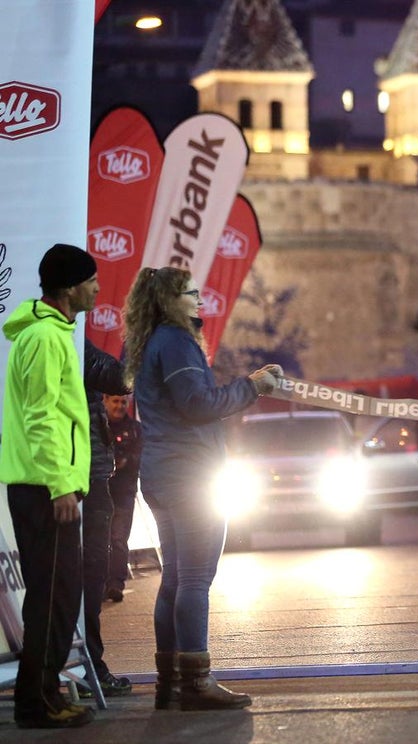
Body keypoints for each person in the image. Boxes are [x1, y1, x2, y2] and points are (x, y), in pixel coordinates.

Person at [121, 266, 281, 711]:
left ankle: (170, 682)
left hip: (162, 472)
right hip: (190, 474)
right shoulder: (175, 341)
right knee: (194, 578)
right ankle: (196, 681)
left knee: (174, 578)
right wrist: (252, 387)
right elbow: (198, 404)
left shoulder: (149, 341)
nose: (200, 299)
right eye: (191, 293)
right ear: (171, 300)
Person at [0, 243, 100, 728]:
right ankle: (35, 704)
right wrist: (62, 485)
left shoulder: (53, 333)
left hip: (47, 486)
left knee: (58, 596)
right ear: (69, 288)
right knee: (51, 597)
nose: (98, 287)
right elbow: (42, 418)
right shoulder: (44, 338)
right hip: (44, 490)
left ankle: (43, 696)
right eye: (91, 279)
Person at [79, 340, 133, 699]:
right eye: (88, 281)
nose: (96, 290)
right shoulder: (63, 335)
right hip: (78, 481)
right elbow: (119, 378)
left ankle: (80, 668)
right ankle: (87, 669)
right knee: (85, 579)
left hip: (85, 477)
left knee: (86, 579)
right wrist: (140, 332)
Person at [104, 392, 143, 602]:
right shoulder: (99, 425)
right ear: (105, 401)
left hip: (123, 493)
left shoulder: (135, 429)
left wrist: (127, 459)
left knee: (118, 539)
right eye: (115, 401)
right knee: (100, 540)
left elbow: (143, 455)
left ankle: (116, 584)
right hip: (100, 491)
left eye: (123, 402)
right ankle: (99, 584)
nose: (120, 406)